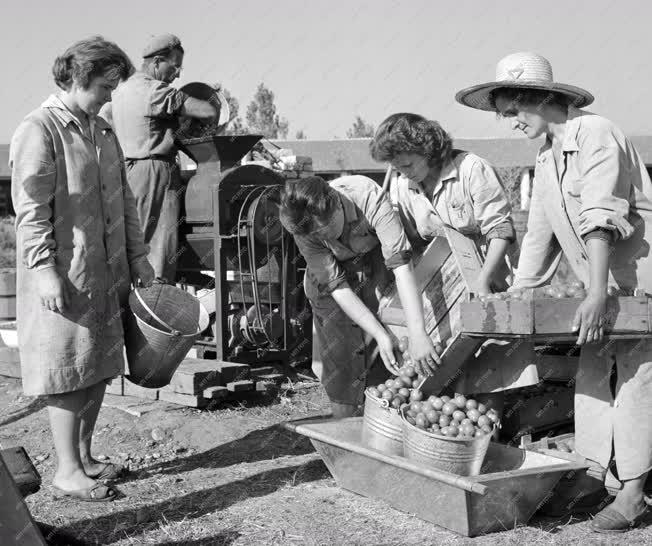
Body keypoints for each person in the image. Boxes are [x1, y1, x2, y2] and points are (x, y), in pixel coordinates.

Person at [456, 51, 651, 532]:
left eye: (515, 111)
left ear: (543, 98)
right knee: (591, 370)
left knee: (636, 377)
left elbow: (602, 215)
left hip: (638, 281)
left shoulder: (597, 133)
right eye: (504, 115)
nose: (510, 123)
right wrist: (517, 295)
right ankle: (591, 475)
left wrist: (599, 289)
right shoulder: (546, 158)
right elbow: (540, 236)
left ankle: (632, 495)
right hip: (600, 286)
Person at [10, 36, 155, 502]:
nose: (112, 95)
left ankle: (86, 458)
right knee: (68, 369)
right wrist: (43, 270)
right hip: (66, 273)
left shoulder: (103, 131)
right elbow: (30, 209)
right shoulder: (40, 129)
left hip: (106, 270)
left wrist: (138, 258)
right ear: (77, 77)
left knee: (97, 366)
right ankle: (67, 471)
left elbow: (126, 203)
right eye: (105, 85)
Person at [369, 113, 538, 407]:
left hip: (490, 283)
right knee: (445, 380)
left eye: (408, 164)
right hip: (445, 292)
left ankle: (490, 439)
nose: (403, 172)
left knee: (488, 376)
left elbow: (501, 230)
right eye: (397, 168)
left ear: (428, 150)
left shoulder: (471, 170)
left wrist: (482, 282)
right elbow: (412, 247)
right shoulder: (403, 186)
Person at [279, 175, 439, 417]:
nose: (326, 238)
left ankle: (384, 416)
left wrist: (417, 333)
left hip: (376, 263)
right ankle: (345, 427)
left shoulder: (367, 196)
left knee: (388, 347)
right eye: (318, 236)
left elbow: (401, 266)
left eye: (326, 230)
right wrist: (377, 332)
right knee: (341, 358)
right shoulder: (303, 223)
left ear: (337, 206)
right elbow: (338, 287)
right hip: (332, 285)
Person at [105, 33, 218, 281]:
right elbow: (207, 110)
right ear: (157, 62)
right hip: (155, 174)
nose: (177, 74)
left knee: (135, 241)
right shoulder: (154, 91)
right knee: (159, 246)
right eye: (175, 66)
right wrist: (208, 101)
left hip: (129, 172)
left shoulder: (120, 90)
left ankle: (134, 304)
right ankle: (157, 304)